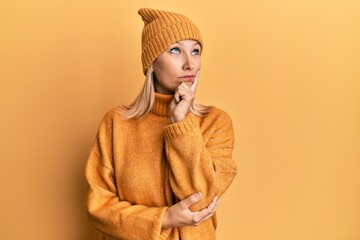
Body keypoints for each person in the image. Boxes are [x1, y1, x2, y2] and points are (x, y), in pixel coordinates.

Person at [85, 7, 237, 240]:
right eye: (175, 50)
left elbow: (201, 201)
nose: (190, 64)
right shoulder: (116, 123)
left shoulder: (215, 123)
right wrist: (163, 219)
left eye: (195, 51)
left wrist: (181, 123)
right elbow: (98, 207)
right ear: (152, 63)